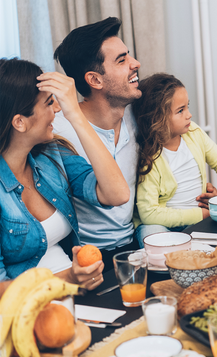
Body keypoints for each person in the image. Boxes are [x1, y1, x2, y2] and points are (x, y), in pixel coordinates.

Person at [0, 58, 130, 289]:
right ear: (20, 122)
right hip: (26, 311)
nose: (58, 109)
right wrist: (67, 278)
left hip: (77, 293)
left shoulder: (52, 155)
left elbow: (117, 194)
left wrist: (76, 115)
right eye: (50, 103)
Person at [52, 17, 144, 268]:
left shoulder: (139, 113)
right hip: (86, 259)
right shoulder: (56, 129)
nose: (136, 64)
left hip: (137, 244)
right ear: (94, 80)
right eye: (122, 60)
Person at [132, 73, 217, 246]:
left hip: (197, 217)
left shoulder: (194, 133)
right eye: (180, 111)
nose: (189, 115)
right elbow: (149, 213)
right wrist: (202, 215)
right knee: (151, 235)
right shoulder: (150, 157)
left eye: (187, 107)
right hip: (163, 224)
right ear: (157, 118)